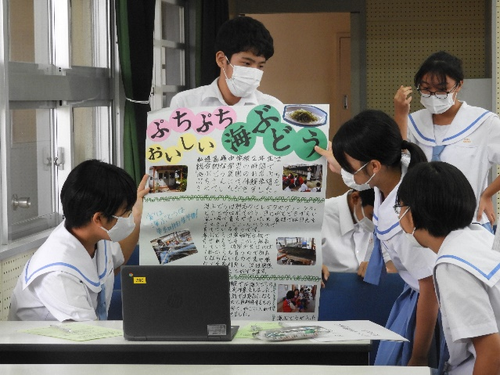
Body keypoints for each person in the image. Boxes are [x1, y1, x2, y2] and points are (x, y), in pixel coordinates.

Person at [316, 109, 444, 370]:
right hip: (416, 297)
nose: (349, 177)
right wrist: (337, 158)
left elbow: (430, 289)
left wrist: (418, 357)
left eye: (350, 167)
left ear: (374, 166)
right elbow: (357, 174)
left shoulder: (407, 215)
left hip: (429, 307)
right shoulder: (393, 173)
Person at [8, 160, 149, 322]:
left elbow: (113, 264)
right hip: (49, 345)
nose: (128, 217)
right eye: (126, 212)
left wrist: (137, 215)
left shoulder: (92, 234)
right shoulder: (58, 273)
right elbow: (89, 338)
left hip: (83, 338)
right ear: (98, 218)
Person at [397, 161, 500, 375]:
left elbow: (492, 352)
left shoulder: (452, 264)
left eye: (400, 207)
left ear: (411, 213)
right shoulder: (479, 235)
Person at [394, 51, 500, 232]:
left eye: (442, 89)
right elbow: (399, 163)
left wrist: (487, 194)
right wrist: (400, 115)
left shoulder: (484, 122)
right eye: (426, 88)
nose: (433, 94)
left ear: (459, 85)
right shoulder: (412, 122)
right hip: (423, 225)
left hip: (469, 224)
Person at [169, 16, 282, 108]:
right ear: (221, 60)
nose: (254, 71)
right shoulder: (186, 103)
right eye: (246, 63)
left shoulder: (272, 108)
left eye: (260, 66)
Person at [321, 188, 395, 278]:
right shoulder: (319, 215)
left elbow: (390, 259)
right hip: (328, 286)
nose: (377, 223)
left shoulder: (381, 220)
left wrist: (382, 268)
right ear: (355, 198)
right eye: (372, 215)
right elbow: (301, 261)